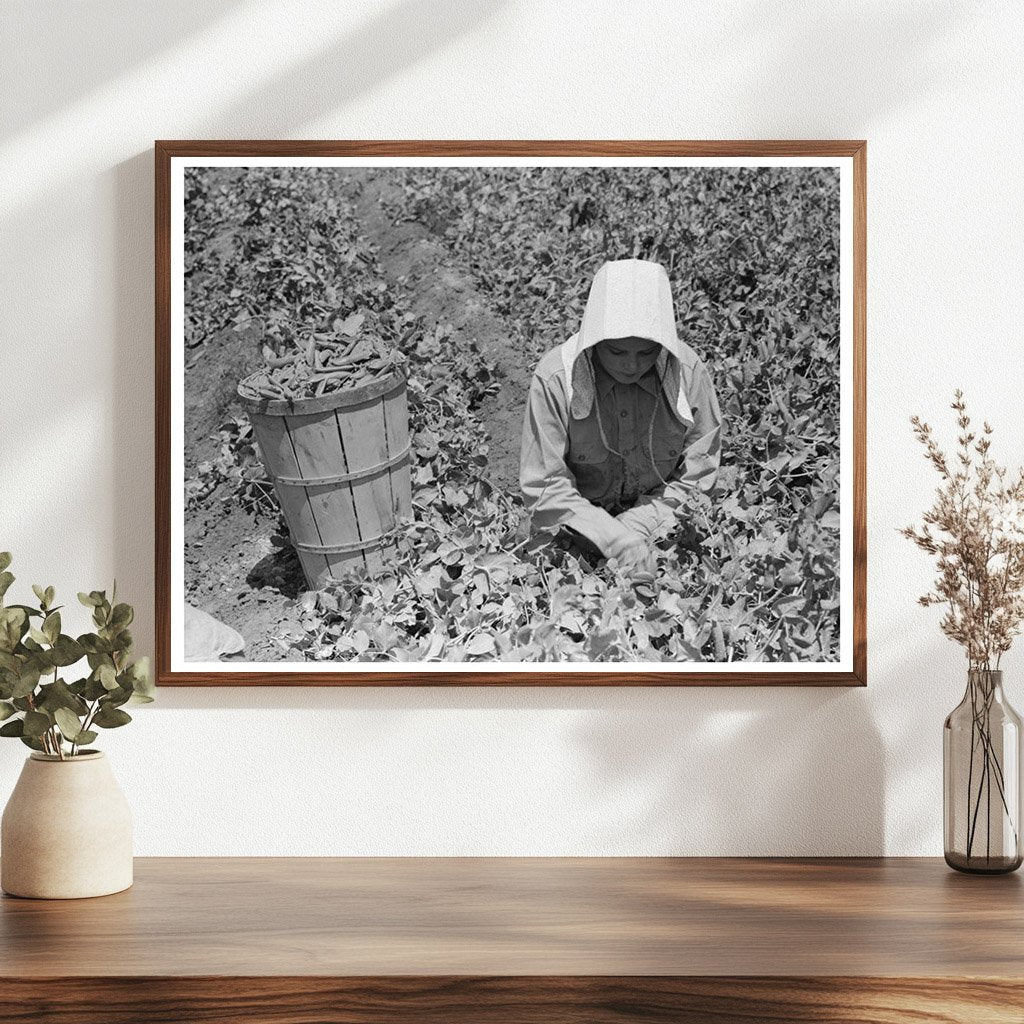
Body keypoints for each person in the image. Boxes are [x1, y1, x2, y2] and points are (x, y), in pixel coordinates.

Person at [519, 257, 722, 572]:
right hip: (576, 531)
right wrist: (612, 538)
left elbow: (698, 476)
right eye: (616, 352)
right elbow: (545, 486)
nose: (631, 365)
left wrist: (638, 526)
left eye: (647, 352)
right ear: (594, 341)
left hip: (662, 523)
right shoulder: (556, 378)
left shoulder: (687, 372)